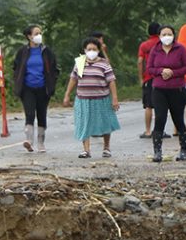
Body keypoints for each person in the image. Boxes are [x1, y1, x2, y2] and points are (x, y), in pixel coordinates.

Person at [63, 37, 120, 158]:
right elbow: (73, 79)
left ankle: (106, 147)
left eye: (94, 49)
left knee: (106, 122)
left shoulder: (104, 63)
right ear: (84, 50)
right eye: (89, 49)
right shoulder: (79, 62)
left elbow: (111, 81)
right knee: (84, 123)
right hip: (83, 99)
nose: (91, 51)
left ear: (99, 50)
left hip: (102, 99)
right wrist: (67, 94)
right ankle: (86, 150)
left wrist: (114, 98)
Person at [145, 25, 186, 162]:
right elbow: (149, 68)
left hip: (177, 89)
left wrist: (173, 72)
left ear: (174, 35)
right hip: (159, 89)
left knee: (178, 119)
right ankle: (157, 151)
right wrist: (161, 71)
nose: (167, 37)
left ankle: (184, 150)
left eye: (169, 34)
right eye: (164, 34)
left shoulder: (181, 49)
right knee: (160, 118)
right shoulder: (155, 50)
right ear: (159, 36)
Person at [12, 25, 60, 153]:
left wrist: (51, 82)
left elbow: (55, 68)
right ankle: (29, 140)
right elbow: (16, 68)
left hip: (43, 88)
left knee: (41, 114)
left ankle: (40, 142)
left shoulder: (46, 51)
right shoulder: (22, 52)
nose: (39, 36)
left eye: (40, 33)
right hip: (27, 87)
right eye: (36, 33)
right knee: (29, 113)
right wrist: (18, 81)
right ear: (29, 36)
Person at [137, 22, 170, 139]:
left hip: (149, 77)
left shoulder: (144, 45)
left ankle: (147, 131)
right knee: (162, 105)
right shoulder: (163, 44)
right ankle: (161, 131)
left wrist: (141, 78)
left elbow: (140, 61)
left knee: (149, 105)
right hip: (163, 77)